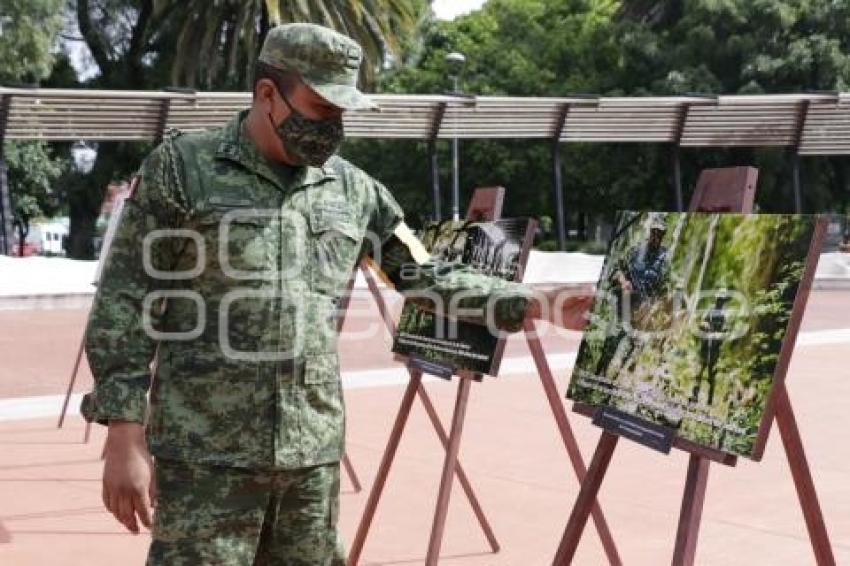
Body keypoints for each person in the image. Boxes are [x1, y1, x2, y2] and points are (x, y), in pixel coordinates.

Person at [80, 23, 589, 565]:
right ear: (268, 95)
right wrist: (124, 433)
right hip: (206, 461)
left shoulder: (356, 190)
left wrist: (538, 301)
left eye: (342, 112)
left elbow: (425, 274)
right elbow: (125, 301)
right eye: (321, 108)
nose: (332, 127)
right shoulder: (182, 170)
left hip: (310, 460)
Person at [594, 213, 670, 378]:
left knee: (631, 346)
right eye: (655, 232)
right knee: (611, 341)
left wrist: (654, 306)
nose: (656, 236)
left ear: (663, 235)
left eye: (660, 233)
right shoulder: (636, 250)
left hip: (643, 308)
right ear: (650, 231)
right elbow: (617, 269)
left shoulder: (665, 259)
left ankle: (613, 382)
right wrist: (623, 282)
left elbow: (665, 288)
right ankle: (598, 374)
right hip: (625, 302)